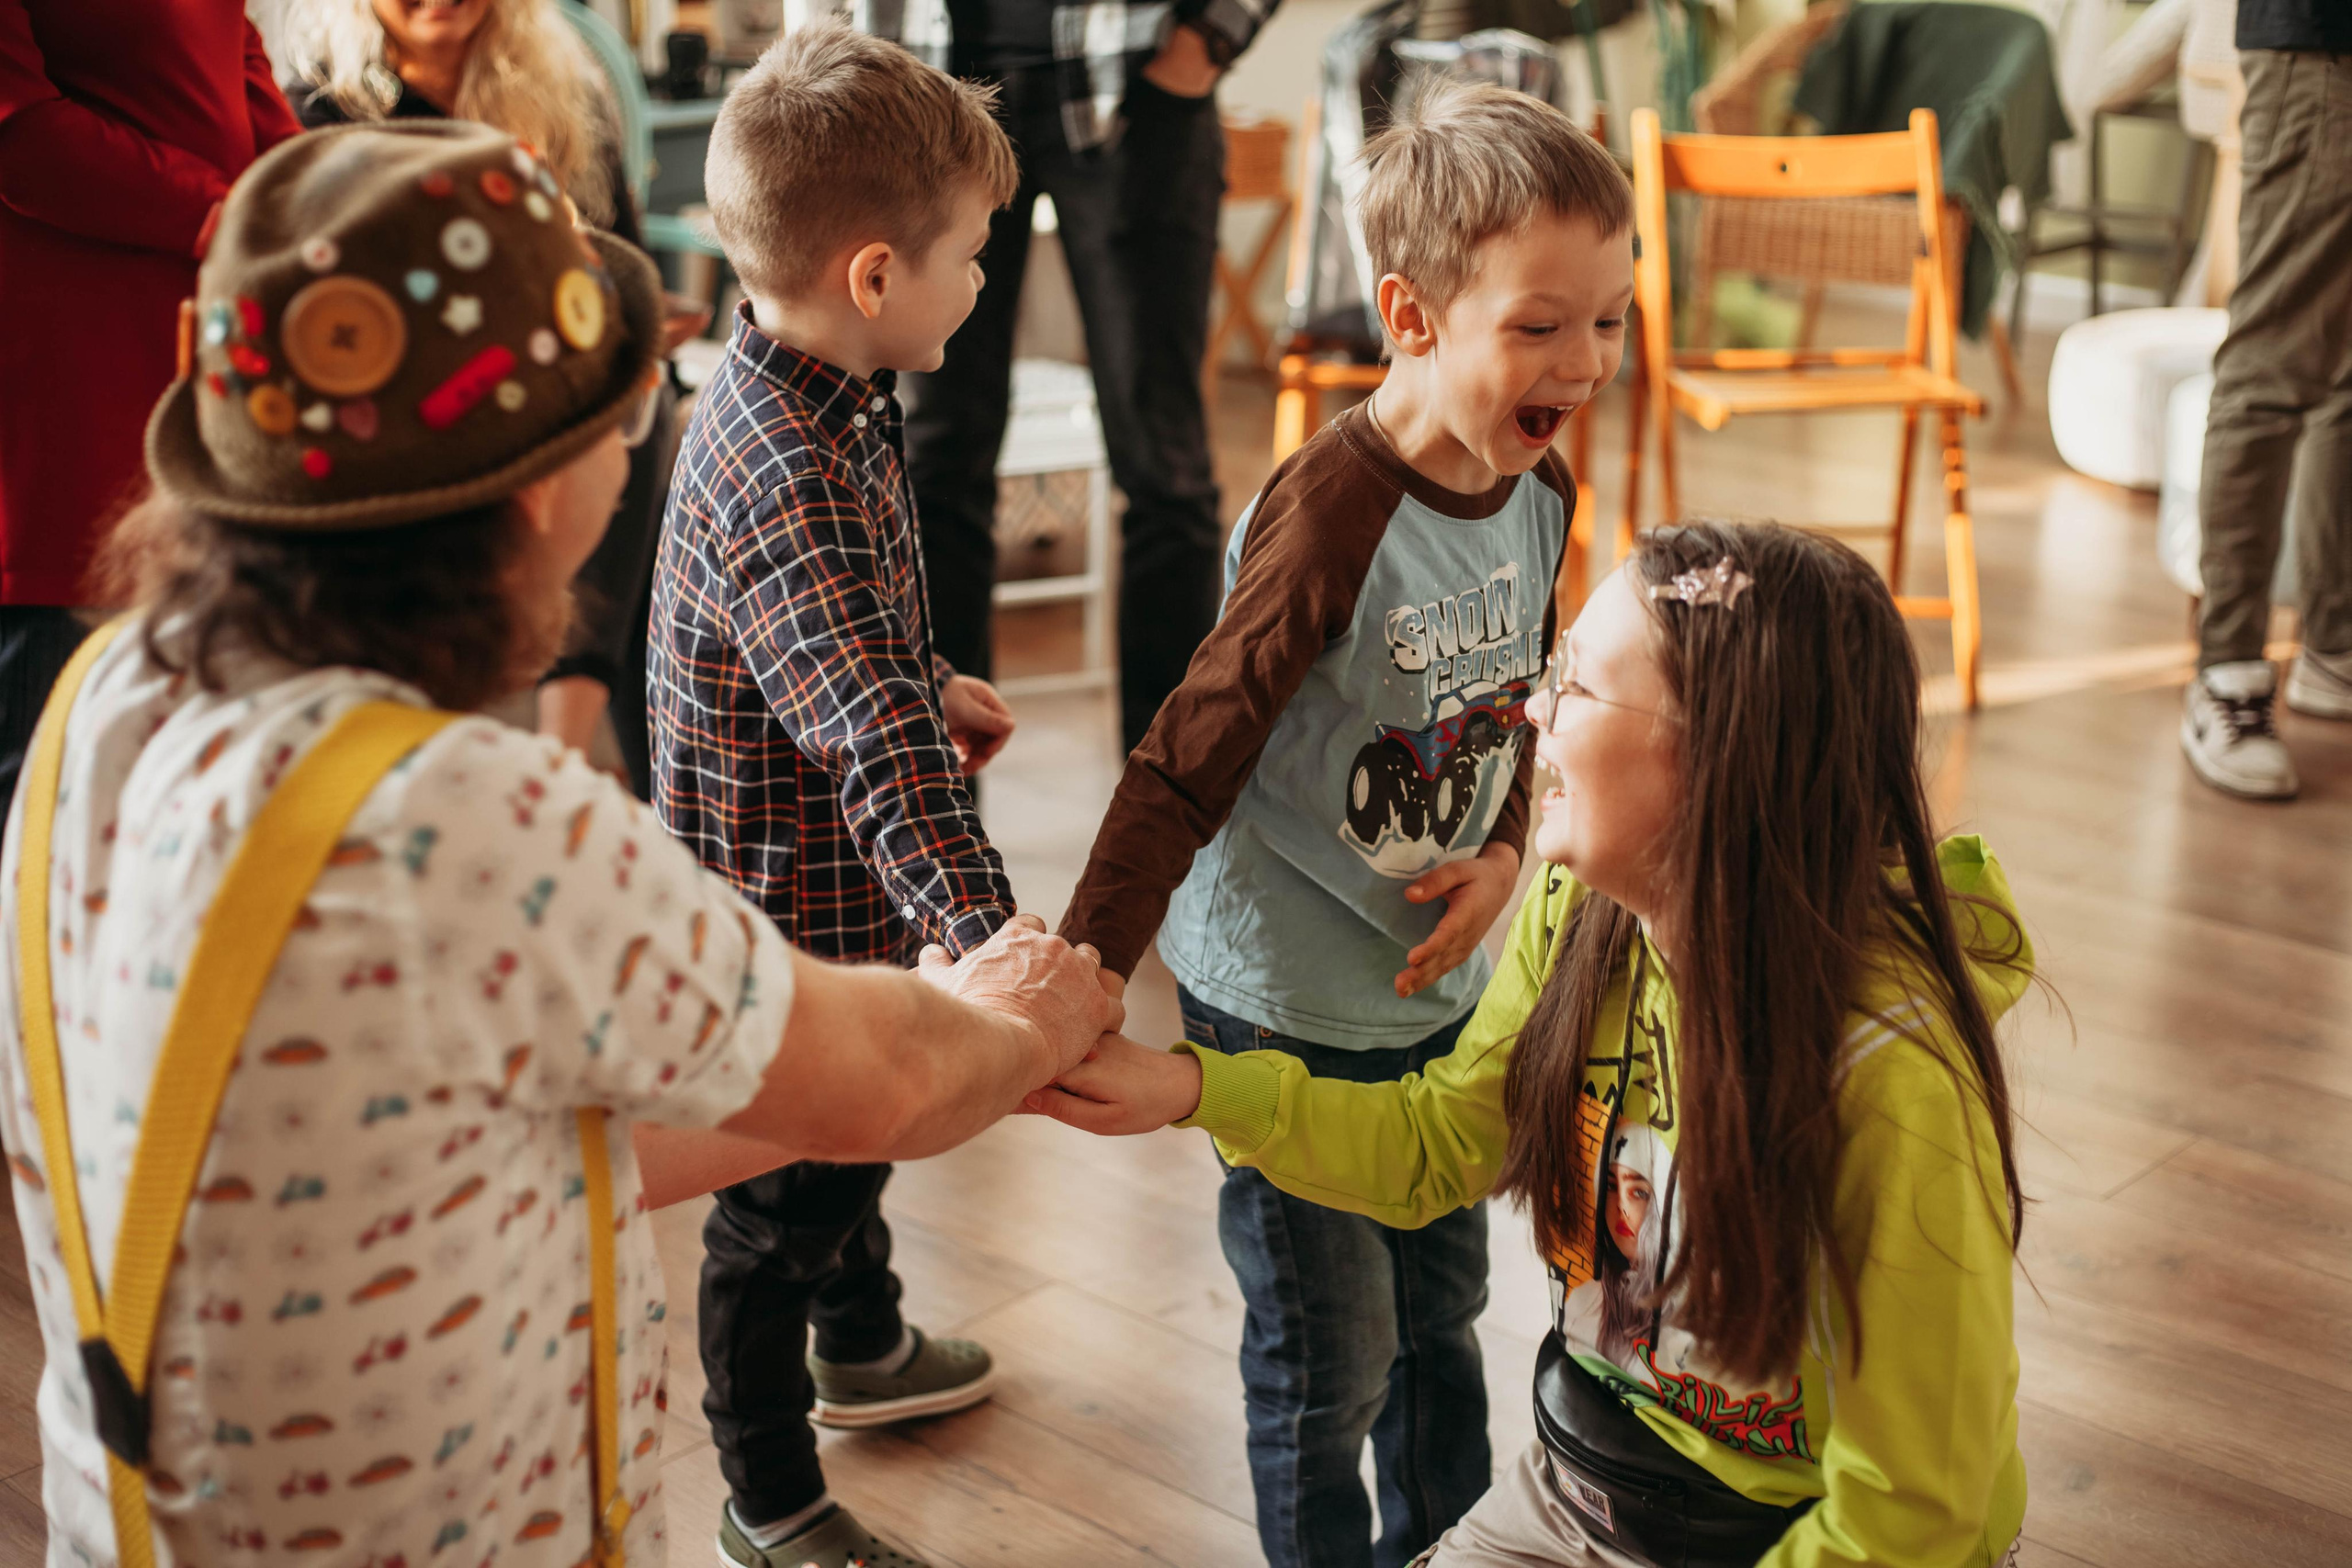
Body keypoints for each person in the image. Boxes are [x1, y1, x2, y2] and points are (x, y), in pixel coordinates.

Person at [0, 121, 1120, 1568]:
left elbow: (555, 1138)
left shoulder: (104, 703)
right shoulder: (483, 824)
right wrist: (1018, 1008)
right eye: (627, 418)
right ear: (538, 495)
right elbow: (892, 1077)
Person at [1035, 521, 2035, 1568]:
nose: (1531, 716)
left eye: (1580, 689)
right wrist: (1188, 1089)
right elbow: (1435, 1144)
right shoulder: (1577, 912)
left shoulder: (1896, 1082)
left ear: (1717, 755)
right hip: (1580, 1492)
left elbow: (1910, 1514)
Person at [1055, 78, 1625, 1568]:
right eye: (1545, 324)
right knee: (1332, 1359)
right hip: (1280, 996)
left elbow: (1519, 693)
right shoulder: (1328, 520)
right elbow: (1182, 759)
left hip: (1422, 985)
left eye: (1611, 320)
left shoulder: (1537, 481)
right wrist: (1079, 975)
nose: (1589, 360)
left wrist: (1505, 850)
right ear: (1414, 316)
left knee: (1443, 1318)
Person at [647, 27, 1028, 1568]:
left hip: (827, 890)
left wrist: (925, 668)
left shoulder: (831, 389)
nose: (985, 282)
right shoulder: (786, 457)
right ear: (877, 274)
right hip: (776, 908)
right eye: (977, 255)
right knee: (781, 1197)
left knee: (849, 1141)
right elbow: (869, 744)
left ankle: (861, 1343)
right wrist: (995, 943)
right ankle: (769, 1491)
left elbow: (838, 641)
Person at [281, 0, 708, 795]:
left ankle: (575, 755)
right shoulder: (318, 110)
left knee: (641, 409)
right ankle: (600, 773)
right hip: (412, 396)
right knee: (635, 433)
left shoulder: (562, 94)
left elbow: (625, 263)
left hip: (560, 373)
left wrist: (628, 327)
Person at [857, 0, 1277, 752]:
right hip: (926, 88)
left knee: (1164, 471)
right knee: (932, 460)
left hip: (1136, 89)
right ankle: (929, 806)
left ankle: (1169, 823)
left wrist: (1208, 36)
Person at [0, 0, 301, 818]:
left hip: (200, 342)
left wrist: (302, 196)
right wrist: (219, 209)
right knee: (42, 770)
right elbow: (20, 136)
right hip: (69, 368)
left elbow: (236, 56)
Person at [2177, 0, 2352, 801]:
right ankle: (2229, 674)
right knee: (2275, 359)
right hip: (2325, 50)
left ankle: (2333, 645)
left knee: (2344, 371)